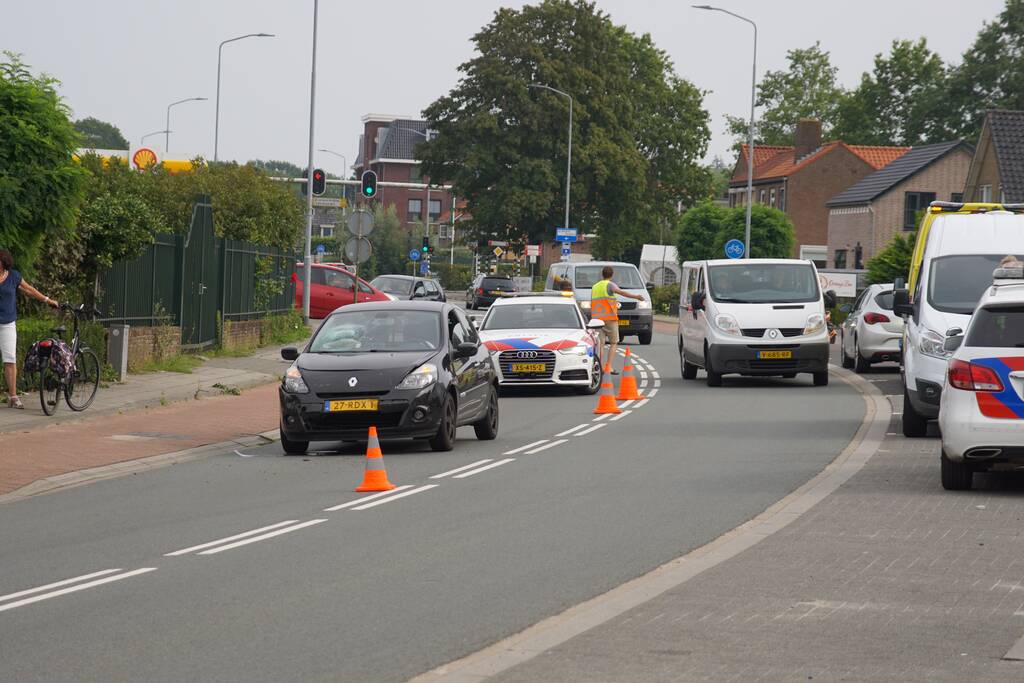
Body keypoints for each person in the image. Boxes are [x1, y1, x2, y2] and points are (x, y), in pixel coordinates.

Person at [0, 249, 59, 408]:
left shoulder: (13, 276)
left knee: (10, 360)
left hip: (7, 325)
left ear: (3, 263)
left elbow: (30, 290)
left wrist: (47, 300)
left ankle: (13, 396)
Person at [590, 265, 644, 374]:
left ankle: (599, 368)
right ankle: (608, 366)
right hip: (609, 319)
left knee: (600, 344)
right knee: (614, 342)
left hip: (597, 320)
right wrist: (636, 297)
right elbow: (621, 292)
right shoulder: (610, 285)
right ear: (612, 275)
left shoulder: (595, 287)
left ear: (602, 274)